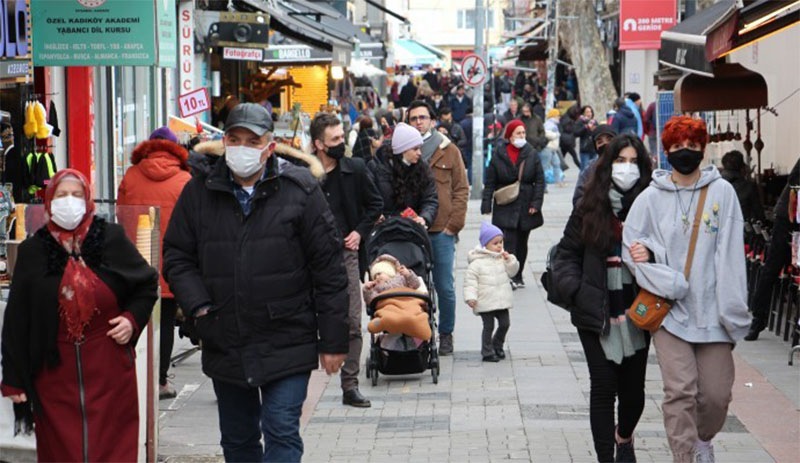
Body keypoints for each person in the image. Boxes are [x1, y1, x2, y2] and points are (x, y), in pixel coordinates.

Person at [162, 103, 349, 462]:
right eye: (235, 139)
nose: (243, 148)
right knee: (238, 440)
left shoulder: (300, 191)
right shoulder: (199, 192)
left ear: (270, 147)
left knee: (280, 429)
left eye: (253, 140)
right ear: (224, 142)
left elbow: (329, 270)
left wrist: (334, 341)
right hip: (225, 335)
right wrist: (199, 306)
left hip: (287, 335)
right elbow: (177, 255)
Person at [2, 169, 158, 462]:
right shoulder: (34, 251)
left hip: (109, 370)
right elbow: (17, 320)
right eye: (61, 195)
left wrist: (131, 319)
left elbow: (146, 284)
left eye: (76, 194)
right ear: (49, 202)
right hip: (53, 376)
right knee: (64, 452)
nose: (69, 202)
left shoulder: (109, 238)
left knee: (112, 451)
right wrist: (13, 379)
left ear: (87, 199)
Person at [622, 115, 751, 463]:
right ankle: (684, 456)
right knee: (679, 391)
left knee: (716, 394)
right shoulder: (650, 198)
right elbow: (631, 243)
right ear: (666, 151)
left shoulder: (722, 192)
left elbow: (732, 255)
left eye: (692, 146)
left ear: (703, 149)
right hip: (670, 312)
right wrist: (649, 256)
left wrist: (735, 307)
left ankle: (703, 439)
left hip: (714, 310)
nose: (685, 152)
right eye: (678, 147)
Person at [553, 134, 654, 463]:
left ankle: (623, 436)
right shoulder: (590, 206)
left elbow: (672, 256)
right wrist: (576, 290)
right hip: (595, 310)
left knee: (633, 393)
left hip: (638, 308)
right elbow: (564, 256)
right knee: (603, 385)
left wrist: (650, 253)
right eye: (619, 161)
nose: (626, 168)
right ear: (608, 166)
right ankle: (606, 458)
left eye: (633, 162)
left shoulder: (652, 206)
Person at [310, 113, 383, 408]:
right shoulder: (302, 172)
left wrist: (359, 233)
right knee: (306, 320)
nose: (342, 143)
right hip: (310, 257)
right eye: (336, 139)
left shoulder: (355, 168)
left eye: (343, 136)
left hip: (347, 254)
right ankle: (298, 382)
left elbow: (375, 204)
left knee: (353, 321)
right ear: (319, 144)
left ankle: (349, 385)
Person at [117, 126, 192, 400]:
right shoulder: (185, 179)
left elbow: (120, 215)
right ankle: (160, 382)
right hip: (170, 262)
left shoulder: (131, 175)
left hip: (134, 260)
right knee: (166, 321)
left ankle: (135, 377)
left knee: (135, 317)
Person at [407, 100, 469, 356]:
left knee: (444, 286)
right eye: (414, 118)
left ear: (432, 121)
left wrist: (453, 225)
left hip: (442, 230)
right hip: (411, 231)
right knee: (412, 286)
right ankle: (416, 333)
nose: (419, 122)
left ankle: (446, 333)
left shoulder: (448, 149)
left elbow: (461, 189)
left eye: (423, 117)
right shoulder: (403, 149)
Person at [481, 119, 545, 289]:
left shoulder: (531, 154)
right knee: (507, 241)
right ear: (509, 136)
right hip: (505, 203)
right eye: (518, 133)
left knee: (522, 242)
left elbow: (539, 180)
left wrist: (536, 204)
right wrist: (486, 203)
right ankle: (507, 275)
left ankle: (518, 274)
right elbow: (490, 182)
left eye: (523, 133)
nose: (522, 136)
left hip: (526, 204)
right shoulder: (498, 155)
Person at [744, 158, 800, 340]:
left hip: (789, 216)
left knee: (773, 269)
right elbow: (794, 181)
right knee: (772, 268)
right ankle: (758, 319)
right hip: (788, 218)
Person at [464, 222, 519, 362]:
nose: (499, 246)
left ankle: (497, 344)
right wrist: (470, 297)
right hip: (485, 300)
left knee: (505, 324)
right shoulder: (477, 262)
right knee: (488, 326)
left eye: (501, 242)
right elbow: (470, 281)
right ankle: (487, 351)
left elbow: (513, 272)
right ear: (485, 244)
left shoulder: (502, 258)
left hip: (502, 299)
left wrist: (510, 260)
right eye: (495, 243)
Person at [366, 122, 438, 228]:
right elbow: (366, 198)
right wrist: (375, 215)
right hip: (382, 230)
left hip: (412, 229)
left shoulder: (422, 168)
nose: (419, 153)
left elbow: (430, 199)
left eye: (419, 148)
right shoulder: (376, 167)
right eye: (415, 149)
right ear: (402, 150)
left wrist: (424, 218)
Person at [573, 124, 618, 206]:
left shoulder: (627, 163)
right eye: (600, 142)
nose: (605, 144)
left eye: (609, 139)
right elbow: (578, 200)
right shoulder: (590, 169)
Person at [720, 150, 765, 224]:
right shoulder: (749, 186)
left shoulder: (716, 185)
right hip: (743, 228)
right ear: (742, 168)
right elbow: (759, 214)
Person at [542, 109, 565, 186]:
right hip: (548, 148)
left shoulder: (554, 124)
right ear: (554, 116)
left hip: (553, 149)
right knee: (544, 166)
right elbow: (546, 134)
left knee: (557, 163)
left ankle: (558, 182)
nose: (559, 117)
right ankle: (542, 183)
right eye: (558, 115)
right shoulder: (549, 124)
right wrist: (556, 135)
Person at [560, 105, 581, 170]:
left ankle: (560, 170)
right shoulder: (569, 120)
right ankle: (581, 168)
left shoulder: (564, 118)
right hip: (567, 141)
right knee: (574, 156)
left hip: (564, 141)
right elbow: (570, 130)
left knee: (562, 157)